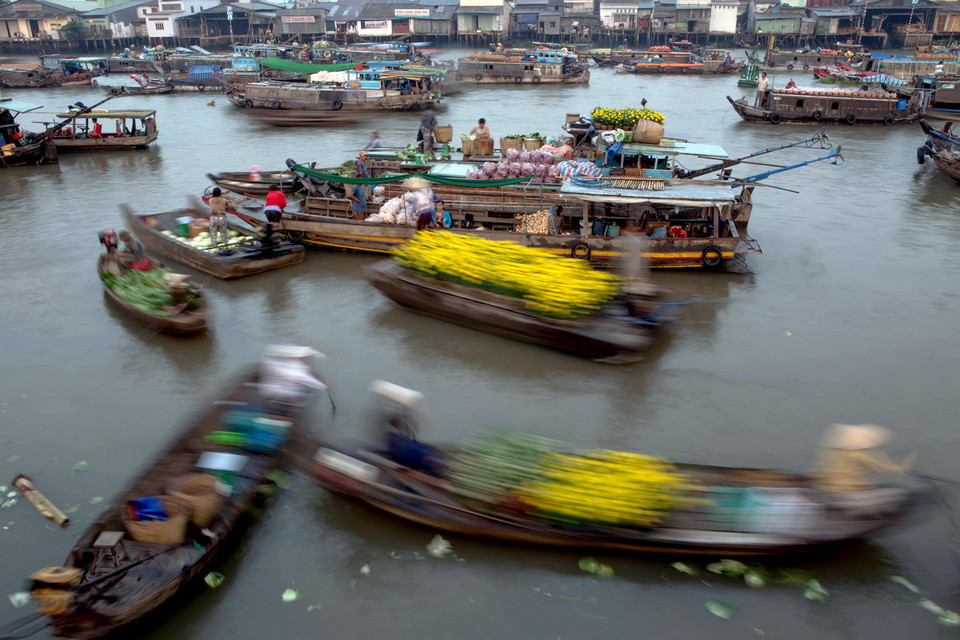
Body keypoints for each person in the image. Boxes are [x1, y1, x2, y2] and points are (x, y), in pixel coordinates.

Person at [813, 424, 916, 494]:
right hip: (849, 491)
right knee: (897, 493)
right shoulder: (860, 455)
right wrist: (906, 466)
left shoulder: (833, 453)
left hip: (827, 489)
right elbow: (885, 468)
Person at [258, 345, 327, 405]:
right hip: (275, 394)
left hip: (280, 388)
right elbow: (300, 377)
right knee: (309, 390)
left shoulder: (289, 362)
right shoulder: (273, 364)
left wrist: (319, 355)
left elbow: (298, 352)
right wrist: (323, 386)